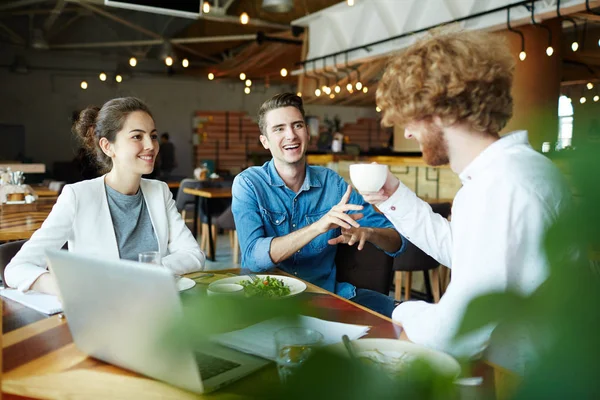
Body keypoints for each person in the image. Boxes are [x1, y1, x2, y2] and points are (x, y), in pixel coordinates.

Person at [362, 30, 570, 369]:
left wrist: (400, 309)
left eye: (412, 117)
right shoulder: (518, 168)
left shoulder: (498, 187)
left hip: (524, 376)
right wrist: (393, 196)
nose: (409, 132)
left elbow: (459, 332)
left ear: (443, 111)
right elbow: (464, 253)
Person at [5, 97, 205, 295]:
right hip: (102, 314)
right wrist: (64, 286)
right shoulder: (77, 196)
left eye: (153, 136)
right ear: (107, 146)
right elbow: (16, 269)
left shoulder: (159, 191)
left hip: (155, 307)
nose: (151, 145)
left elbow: (194, 255)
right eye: (137, 136)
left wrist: (148, 270)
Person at [231, 93, 404, 317]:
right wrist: (317, 227)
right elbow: (254, 258)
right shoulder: (248, 184)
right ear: (265, 141)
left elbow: (396, 241)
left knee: (406, 315)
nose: (291, 135)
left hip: (327, 297)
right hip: (268, 302)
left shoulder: (333, 184)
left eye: (297, 125)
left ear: (308, 133)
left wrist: (368, 232)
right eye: (279, 129)